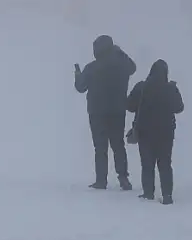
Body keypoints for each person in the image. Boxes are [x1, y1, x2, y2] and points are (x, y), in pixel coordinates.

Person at [75, 35, 136, 190]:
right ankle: (123, 178)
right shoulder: (122, 66)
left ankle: (101, 180)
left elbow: (80, 87)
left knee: (100, 147)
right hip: (117, 111)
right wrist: (120, 53)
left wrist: (77, 74)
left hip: (97, 112)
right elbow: (132, 67)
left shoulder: (91, 68)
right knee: (118, 145)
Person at [126, 59, 184, 204]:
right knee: (165, 163)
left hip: (145, 131)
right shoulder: (170, 88)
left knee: (147, 164)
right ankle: (167, 195)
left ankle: (148, 193)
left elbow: (130, 105)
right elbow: (179, 108)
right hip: (166, 132)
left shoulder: (142, 87)